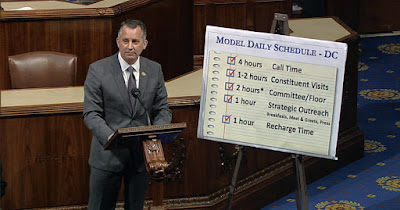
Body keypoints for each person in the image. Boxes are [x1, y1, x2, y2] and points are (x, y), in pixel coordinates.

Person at [83, 19, 172, 210]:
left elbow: (163, 108)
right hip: (108, 155)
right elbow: (91, 113)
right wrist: (110, 137)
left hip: (140, 156)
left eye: (135, 41)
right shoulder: (98, 70)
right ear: (117, 42)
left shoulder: (154, 70)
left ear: (144, 44)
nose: (129, 47)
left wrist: (157, 132)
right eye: (125, 41)